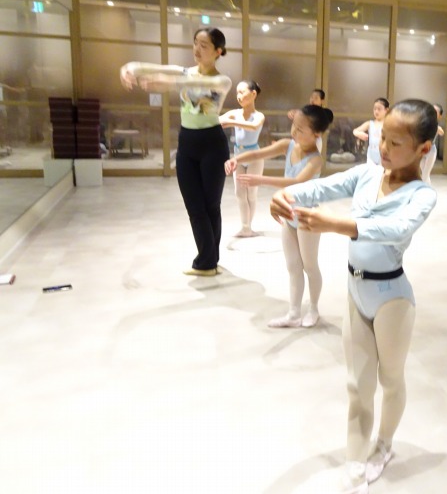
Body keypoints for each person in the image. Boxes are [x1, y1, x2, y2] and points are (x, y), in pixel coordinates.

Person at [270, 99, 438, 493]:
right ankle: (355, 463)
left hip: (392, 299)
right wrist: (289, 195)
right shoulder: (367, 173)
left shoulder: (422, 195)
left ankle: (384, 445)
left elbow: (395, 229)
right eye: (383, 138)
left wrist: (336, 224)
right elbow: (322, 186)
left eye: (395, 142)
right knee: (357, 386)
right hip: (355, 292)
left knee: (390, 380)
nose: (384, 148)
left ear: (423, 149)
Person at [120, 27, 232, 277]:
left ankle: (208, 262)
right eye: (195, 43)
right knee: (195, 206)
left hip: (213, 144)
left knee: (211, 206)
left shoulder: (222, 81)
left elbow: (193, 81)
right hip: (187, 143)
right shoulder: (185, 73)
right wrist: (130, 67)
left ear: (218, 51)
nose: (197, 49)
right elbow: (162, 70)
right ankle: (210, 260)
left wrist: (166, 80)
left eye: (204, 45)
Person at [227, 105, 334, 328]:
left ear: (316, 134)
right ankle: (293, 313)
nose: (294, 132)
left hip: (307, 217)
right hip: (288, 214)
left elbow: (296, 183)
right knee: (293, 266)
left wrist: (260, 180)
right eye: (294, 126)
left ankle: (313, 308)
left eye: (301, 130)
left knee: (310, 266)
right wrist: (237, 159)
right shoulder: (288, 145)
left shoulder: (315, 160)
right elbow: (259, 153)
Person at [219, 80, 266, 237]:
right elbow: (218, 120)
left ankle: (248, 227)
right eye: (237, 93)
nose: (238, 96)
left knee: (251, 193)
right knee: (240, 193)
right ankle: (245, 227)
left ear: (253, 94)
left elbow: (253, 126)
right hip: (238, 156)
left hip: (254, 156)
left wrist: (231, 122)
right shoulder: (235, 113)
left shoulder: (258, 115)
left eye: (242, 92)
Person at [353, 97, 389, 165]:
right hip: (371, 154)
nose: (376, 111)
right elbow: (355, 131)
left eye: (379, 109)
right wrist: (359, 134)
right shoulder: (369, 123)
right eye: (375, 109)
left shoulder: (388, 124)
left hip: (383, 154)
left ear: (386, 110)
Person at [419, 103, 444, 185]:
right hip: (421, 149)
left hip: (431, 150)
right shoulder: (424, 121)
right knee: (424, 173)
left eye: (435, 111)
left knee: (425, 174)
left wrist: (436, 128)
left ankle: (424, 190)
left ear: (439, 116)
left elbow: (441, 132)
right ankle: (428, 189)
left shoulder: (436, 125)